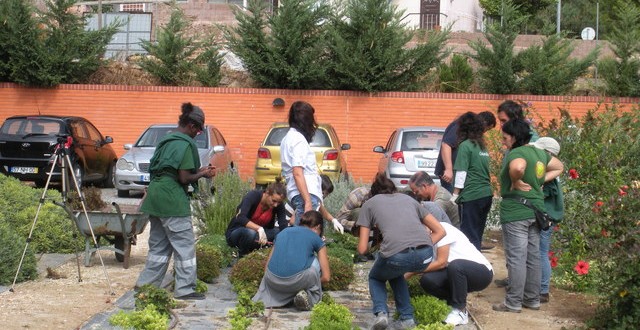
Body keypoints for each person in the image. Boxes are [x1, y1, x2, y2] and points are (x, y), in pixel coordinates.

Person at [135, 102, 216, 300]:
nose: (197, 134)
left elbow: (165, 170)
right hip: (172, 199)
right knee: (185, 246)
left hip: (155, 197)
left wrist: (201, 171)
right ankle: (185, 289)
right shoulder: (185, 144)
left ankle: (146, 287)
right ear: (191, 126)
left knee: (159, 248)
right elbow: (184, 178)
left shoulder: (167, 141)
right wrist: (203, 175)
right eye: (198, 130)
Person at [357, 173, 446, 330]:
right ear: (393, 189)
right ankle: (407, 319)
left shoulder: (369, 204)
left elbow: (362, 249)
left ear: (374, 192)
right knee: (395, 273)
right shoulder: (409, 200)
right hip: (425, 255)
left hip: (396, 255)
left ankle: (381, 314)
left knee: (376, 277)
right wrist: (422, 245)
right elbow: (440, 231)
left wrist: (376, 244)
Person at [492, 119, 563, 313]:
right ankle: (532, 299)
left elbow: (517, 167)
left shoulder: (517, 152)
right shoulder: (540, 153)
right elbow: (559, 166)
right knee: (533, 256)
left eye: (505, 137)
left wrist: (516, 180)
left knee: (516, 257)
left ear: (514, 137)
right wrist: (540, 180)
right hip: (536, 210)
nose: (503, 141)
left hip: (516, 210)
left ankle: (513, 302)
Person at [410, 222, 493, 326]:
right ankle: (452, 305)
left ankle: (460, 311)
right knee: (427, 280)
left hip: (482, 272)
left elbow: (441, 262)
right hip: (456, 274)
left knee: (456, 265)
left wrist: (412, 272)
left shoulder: (442, 228)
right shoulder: (425, 240)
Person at [280, 101, 343, 234]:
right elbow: (297, 172)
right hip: (305, 193)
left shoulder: (288, 138)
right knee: (302, 235)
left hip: (299, 192)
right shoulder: (298, 140)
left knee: (300, 234)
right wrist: (308, 200)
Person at [252, 210, 331, 311]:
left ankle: (281, 297)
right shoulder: (316, 237)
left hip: (271, 280)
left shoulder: (283, 232)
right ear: (318, 227)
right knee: (314, 263)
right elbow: (326, 277)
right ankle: (308, 297)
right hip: (296, 282)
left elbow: (266, 267)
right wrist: (311, 284)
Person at [451, 112, 493, 250]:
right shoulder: (481, 146)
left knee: (468, 234)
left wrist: (455, 194)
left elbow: (462, 172)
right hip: (486, 194)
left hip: (472, 195)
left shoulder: (465, 145)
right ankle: (478, 263)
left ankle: (471, 266)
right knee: (477, 233)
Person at [531, 137, 564, 303]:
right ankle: (539, 288)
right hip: (549, 216)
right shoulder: (551, 171)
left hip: (547, 218)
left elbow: (543, 195)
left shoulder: (547, 174)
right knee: (539, 251)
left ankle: (543, 290)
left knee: (541, 252)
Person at [435, 111, 497, 193]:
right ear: (484, 124)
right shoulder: (460, 126)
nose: (485, 132)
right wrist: (449, 169)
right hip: (450, 175)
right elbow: (446, 145)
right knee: (452, 203)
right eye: (487, 129)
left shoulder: (470, 131)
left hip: (458, 174)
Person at [225, 178, 289, 257]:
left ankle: (262, 248)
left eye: (279, 202)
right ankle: (243, 254)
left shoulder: (278, 205)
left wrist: (288, 237)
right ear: (267, 193)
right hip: (238, 232)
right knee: (250, 233)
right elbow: (241, 217)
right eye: (274, 201)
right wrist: (259, 229)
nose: (276, 205)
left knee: (279, 232)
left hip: (259, 236)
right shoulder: (253, 196)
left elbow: (283, 223)